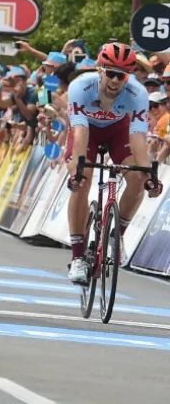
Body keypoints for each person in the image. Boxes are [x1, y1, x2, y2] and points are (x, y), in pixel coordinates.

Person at [64, 42, 162, 284]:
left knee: (138, 178)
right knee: (82, 180)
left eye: (122, 76)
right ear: (100, 70)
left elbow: (138, 138)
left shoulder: (137, 93)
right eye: (111, 73)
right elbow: (80, 132)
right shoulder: (80, 87)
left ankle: (116, 236)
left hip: (118, 133)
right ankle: (77, 258)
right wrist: (77, 168)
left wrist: (149, 174)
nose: (116, 81)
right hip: (86, 133)